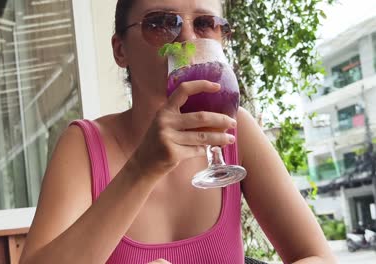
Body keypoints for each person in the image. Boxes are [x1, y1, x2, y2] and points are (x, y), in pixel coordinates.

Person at [19, 0, 336, 263]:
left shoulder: (235, 129)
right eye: (160, 23)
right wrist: (143, 167)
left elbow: (317, 257)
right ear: (120, 50)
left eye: (205, 24)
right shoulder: (85, 146)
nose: (187, 40)